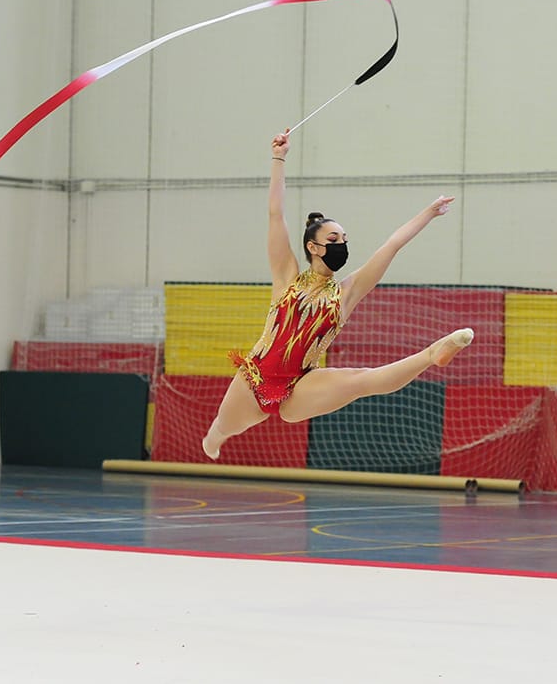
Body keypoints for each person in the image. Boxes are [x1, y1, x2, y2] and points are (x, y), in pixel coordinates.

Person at [201, 129, 473, 460]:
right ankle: (213, 439)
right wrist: (278, 158)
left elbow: (391, 245)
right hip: (254, 377)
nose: (341, 244)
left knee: (360, 380)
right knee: (222, 429)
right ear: (313, 247)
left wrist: (428, 213)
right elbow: (276, 214)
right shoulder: (287, 277)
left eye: (344, 239)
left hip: (301, 386)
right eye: (333, 239)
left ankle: (431, 354)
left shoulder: (346, 293)